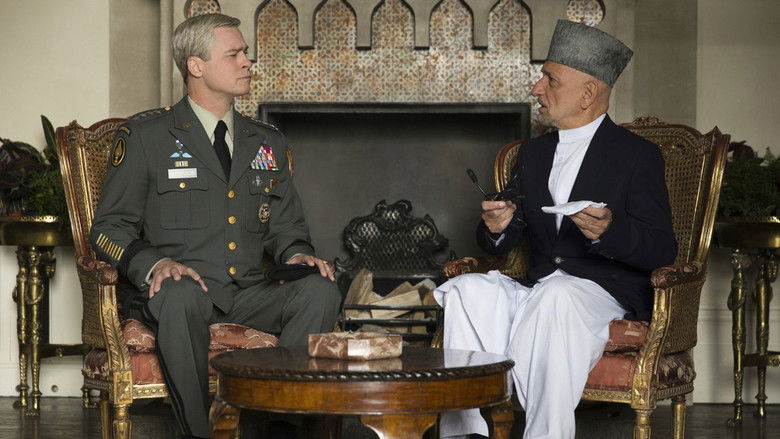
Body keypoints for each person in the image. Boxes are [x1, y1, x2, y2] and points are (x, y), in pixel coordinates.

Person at [90, 13, 341, 439]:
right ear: (196, 65)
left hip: (246, 290)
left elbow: (286, 224)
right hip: (181, 291)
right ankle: (198, 432)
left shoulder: (267, 141)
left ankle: (284, 423)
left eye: (244, 53)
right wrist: (154, 265)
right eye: (235, 54)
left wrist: (296, 252)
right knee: (180, 296)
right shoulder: (146, 136)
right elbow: (106, 229)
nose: (248, 62)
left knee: (319, 287)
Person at [434, 20, 677, 439]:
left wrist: (608, 231)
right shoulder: (532, 153)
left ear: (587, 94)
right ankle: (467, 432)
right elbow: (504, 238)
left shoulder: (637, 156)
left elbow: (662, 249)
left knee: (557, 297)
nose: (536, 89)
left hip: (601, 293)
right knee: (467, 290)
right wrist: (497, 226)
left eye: (550, 79)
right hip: (540, 287)